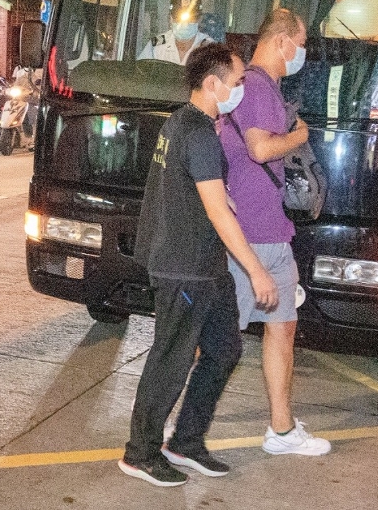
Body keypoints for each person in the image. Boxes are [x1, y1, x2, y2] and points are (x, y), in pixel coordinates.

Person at [120, 43, 279, 488]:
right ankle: (140, 453)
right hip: (183, 267)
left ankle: (186, 442)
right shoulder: (198, 133)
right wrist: (257, 271)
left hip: (207, 267)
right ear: (212, 84)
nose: (242, 88)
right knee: (170, 361)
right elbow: (218, 213)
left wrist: (218, 196)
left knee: (225, 350)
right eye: (238, 81)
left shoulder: (183, 123)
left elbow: (190, 186)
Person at [218, 8, 330, 457]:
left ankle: (282, 430)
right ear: (282, 42)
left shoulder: (256, 86)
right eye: (300, 44)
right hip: (253, 235)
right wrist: (300, 136)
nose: (301, 53)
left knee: (282, 327)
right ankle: (170, 422)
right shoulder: (259, 86)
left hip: (269, 230)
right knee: (217, 338)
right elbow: (261, 148)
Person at [138, 0, 214, 64]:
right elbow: (140, 69)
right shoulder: (156, 45)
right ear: (170, 18)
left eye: (191, 18)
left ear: (200, 19)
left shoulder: (209, 48)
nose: (185, 23)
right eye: (178, 17)